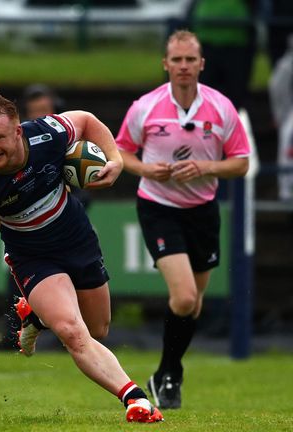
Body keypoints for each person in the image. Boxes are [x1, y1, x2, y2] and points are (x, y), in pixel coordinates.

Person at [0, 93, 163, 423]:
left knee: (97, 328)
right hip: (32, 257)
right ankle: (136, 399)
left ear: (18, 132)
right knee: (73, 332)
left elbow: (86, 120)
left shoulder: (47, 133)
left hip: (77, 239)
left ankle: (36, 316)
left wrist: (114, 159)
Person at [116, 30, 250, 409]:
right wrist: (146, 168)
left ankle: (163, 375)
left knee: (194, 304)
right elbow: (121, 150)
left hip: (202, 211)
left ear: (201, 64)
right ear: (166, 64)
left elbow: (241, 163)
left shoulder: (221, 108)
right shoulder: (146, 106)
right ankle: (171, 374)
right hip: (158, 207)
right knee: (185, 296)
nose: (184, 66)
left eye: (191, 60)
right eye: (177, 60)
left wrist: (207, 167)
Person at [269, 35, 293, 202]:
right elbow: (276, 88)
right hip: (290, 115)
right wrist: (281, 114)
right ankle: (287, 193)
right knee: (288, 155)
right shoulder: (286, 65)